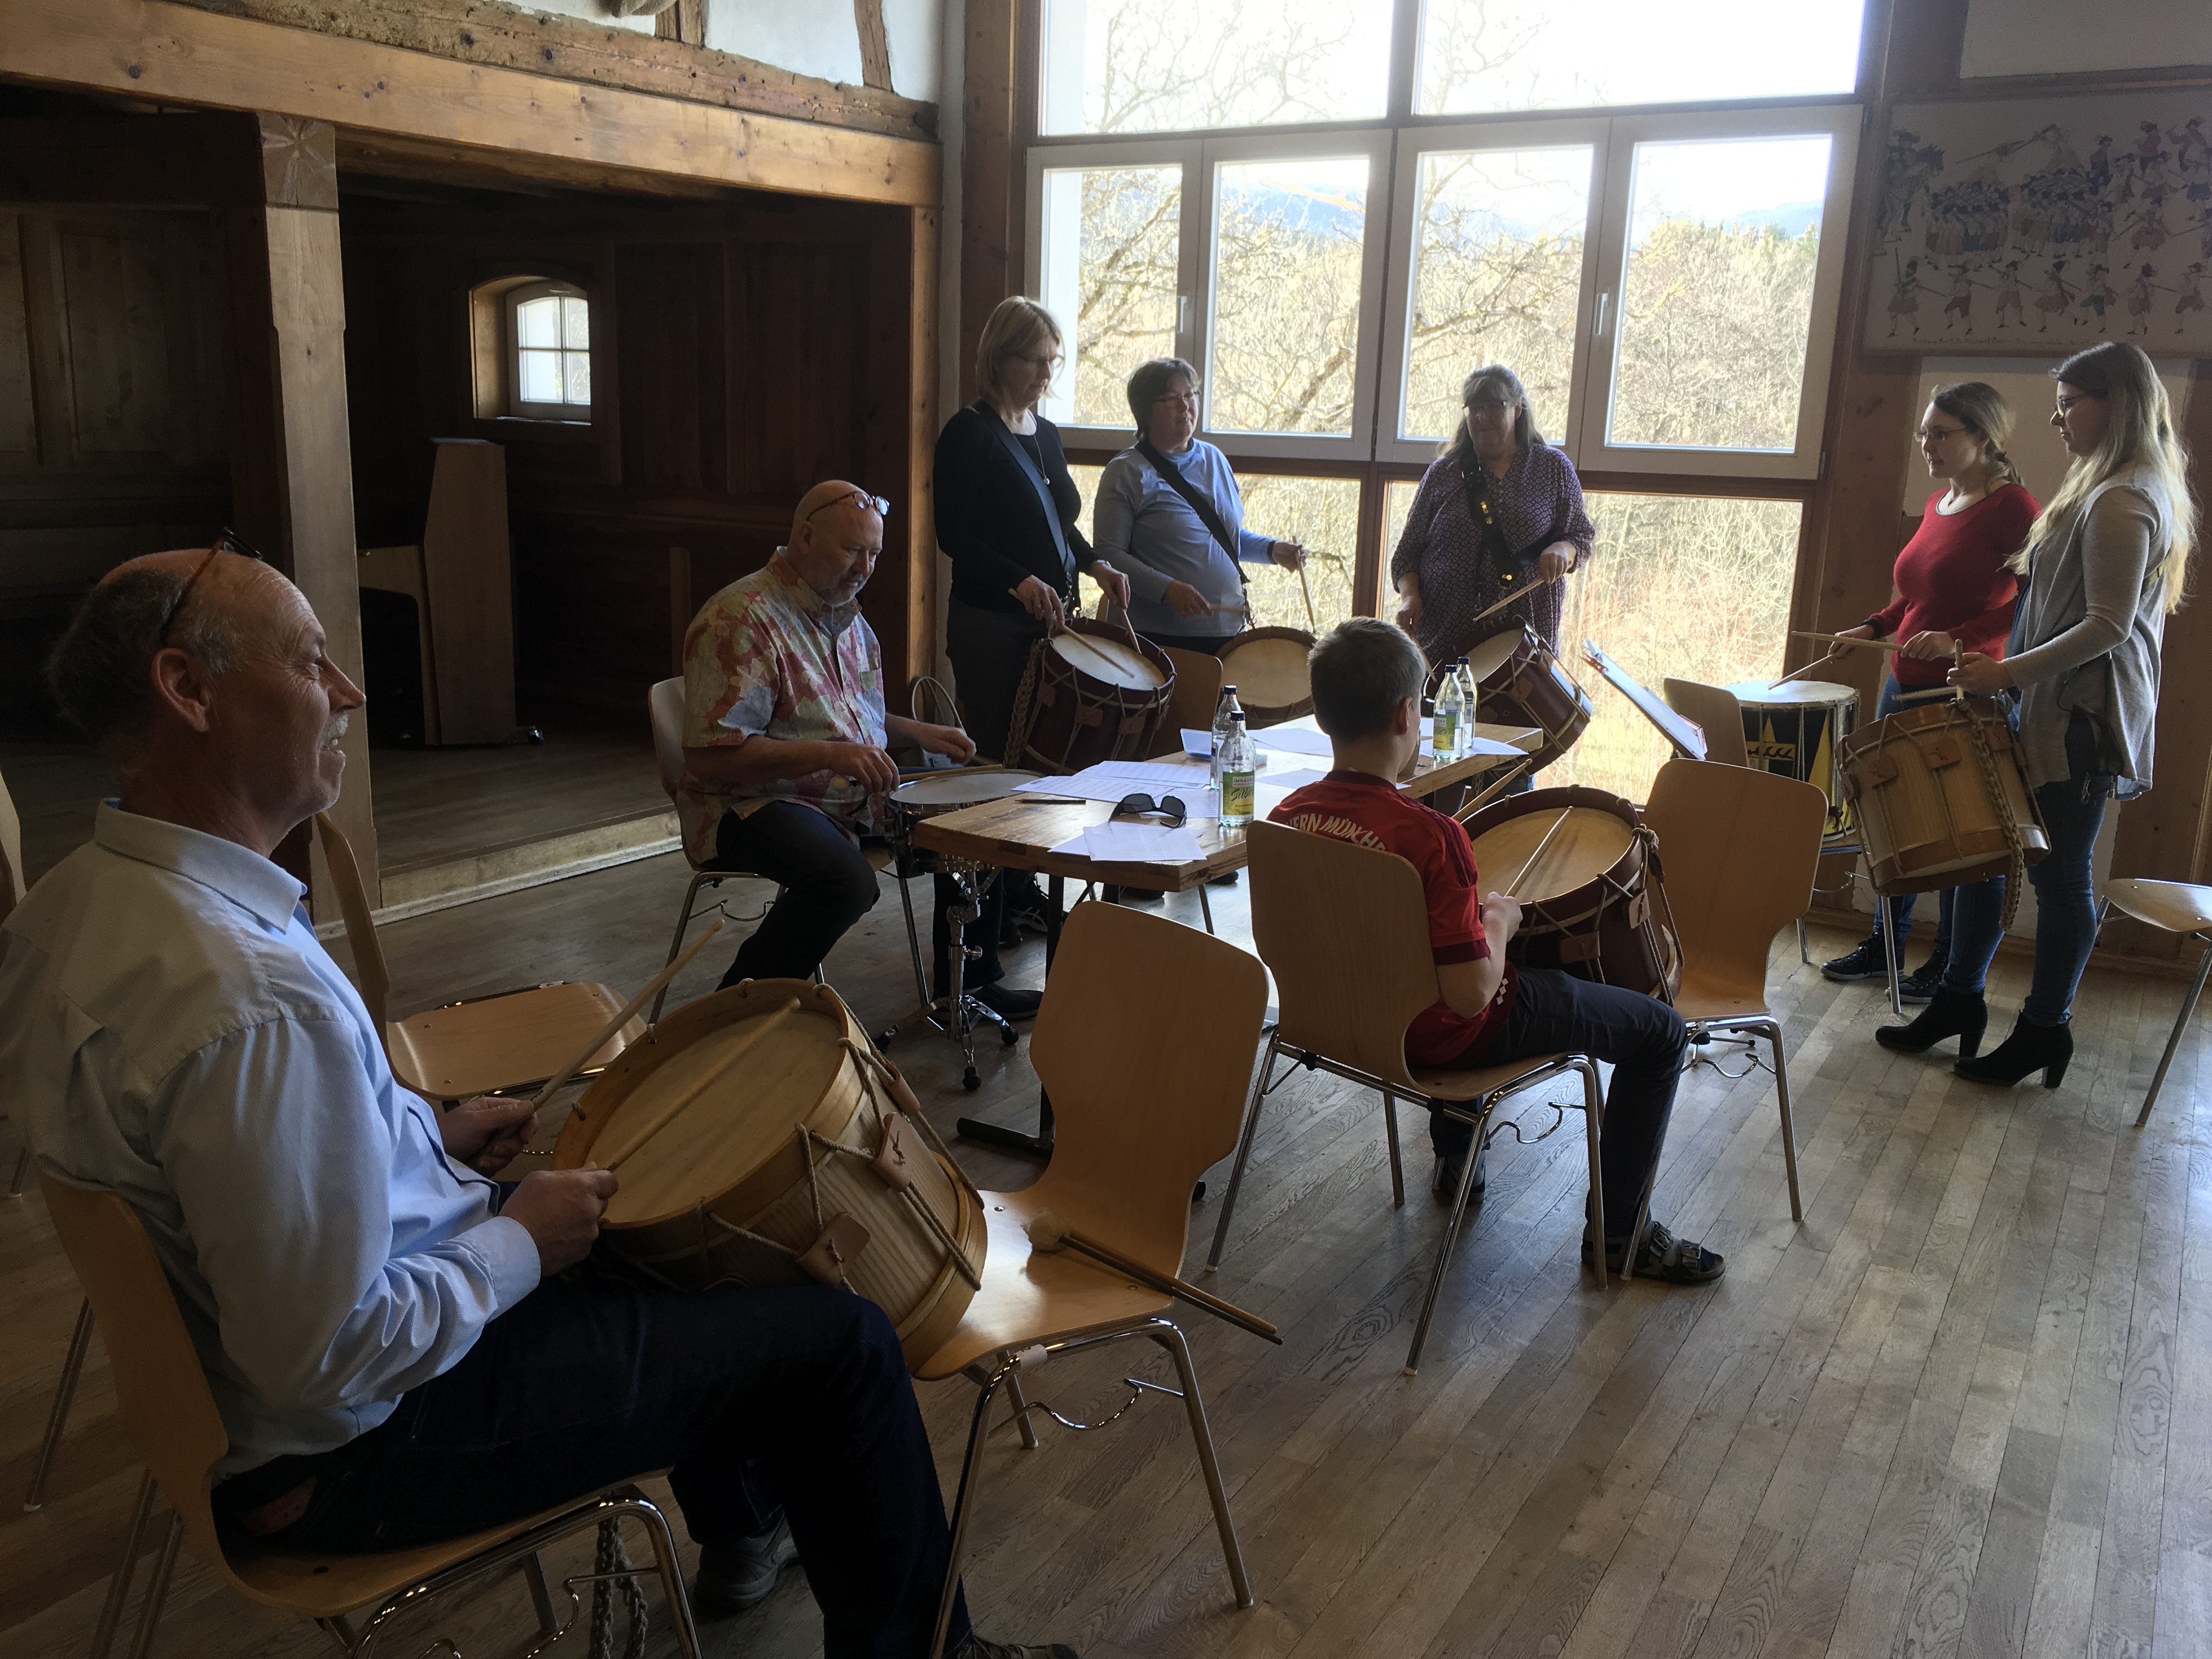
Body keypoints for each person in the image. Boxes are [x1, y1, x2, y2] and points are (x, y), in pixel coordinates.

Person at [0, 543, 1071, 1659]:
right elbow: (327, 1355)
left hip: (268, 1405)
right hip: (362, 1443)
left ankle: (748, 1524)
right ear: (188, 689)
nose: (350, 692)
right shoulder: (251, 999)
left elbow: (225, 1180)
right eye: (313, 662)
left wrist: (417, 1136)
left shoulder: (72, 908)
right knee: (840, 1342)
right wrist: (520, 1240)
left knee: (668, 1235)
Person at [1268, 618, 1723, 1284]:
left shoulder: (1285, 819)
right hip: (1442, 1038)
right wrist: (1501, 924)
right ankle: (1622, 1238)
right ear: (1407, 715)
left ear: (1321, 715)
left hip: (1338, 1025)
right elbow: (1471, 996)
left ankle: (1458, 1154)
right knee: (1660, 1034)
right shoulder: (1432, 838)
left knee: (1473, 950)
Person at [1876, 341, 2197, 1087]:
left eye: (2068, 405)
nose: (2056, 421)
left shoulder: (2123, 498)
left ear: (2117, 405)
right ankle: (1959, 998)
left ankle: (2045, 1028)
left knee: (2061, 880)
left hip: (2081, 717)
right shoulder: (2102, 485)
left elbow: (2108, 625)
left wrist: (2005, 672)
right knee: (1990, 852)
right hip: (2045, 704)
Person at [679, 482, 1040, 1020]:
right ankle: (728, 1017)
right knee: (845, 880)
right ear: (805, 538)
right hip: (750, 804)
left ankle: (969, 986)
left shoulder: (848, 619)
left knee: (979, 815)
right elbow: (710, 757)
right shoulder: (741, 618)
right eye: (853, 550)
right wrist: (831, 756)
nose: (865, 568)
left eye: (874, 553)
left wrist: (916, 732)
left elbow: (844, 718)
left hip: (845, 793)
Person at [1821, 383, 2037, 1000]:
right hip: (1903, 683)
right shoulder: (1940, 501)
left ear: (1983, 436)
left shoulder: (2014, 507)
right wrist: (1873, 627)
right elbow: (1916, 597)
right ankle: (1884, 944)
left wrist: (1957, 640)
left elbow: (2033, 603)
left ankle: (1947, 963)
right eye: (1924, 434)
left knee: (1959, 836)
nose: (1927, 446)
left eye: (1940, 434)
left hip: (1961, 689)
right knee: (1895, 823)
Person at [934, 297, 1132, 938]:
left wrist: (1095, 563)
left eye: (1054, 361)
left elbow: (1059, 523)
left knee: (1040, 768)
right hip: (991, 625)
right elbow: (953, 534)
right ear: (1000, 358)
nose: (1047, 374)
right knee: (997, 767)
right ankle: (979, 924)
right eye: (1035, 361)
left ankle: (1019, 892)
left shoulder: (1042, 433)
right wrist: (1017, 579)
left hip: (1048, 627)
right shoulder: (969, 433)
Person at [1091, 357, 1306, 654]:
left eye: (1190, 395)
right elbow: (1108, 554)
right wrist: (1166, 589)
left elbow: (1222, 537)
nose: (1185, 406)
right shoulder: (1126, 471)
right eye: (1171, 398)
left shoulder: (1214, 459)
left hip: (1227, 632)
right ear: (1145, 410)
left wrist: (1271, 550)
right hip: (1156, 639)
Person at [1389, 364, 1594, 675]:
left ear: (1517, 409)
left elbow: (1581, 536)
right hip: (1444, 642)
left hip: (1525, 647)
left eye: (1494, 406)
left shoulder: (1553, 468)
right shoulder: (1442, 473)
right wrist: (1410, 598)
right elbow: (1407, 556)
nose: (1482, 417)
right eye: (1474, 408)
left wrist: (1563, 550)